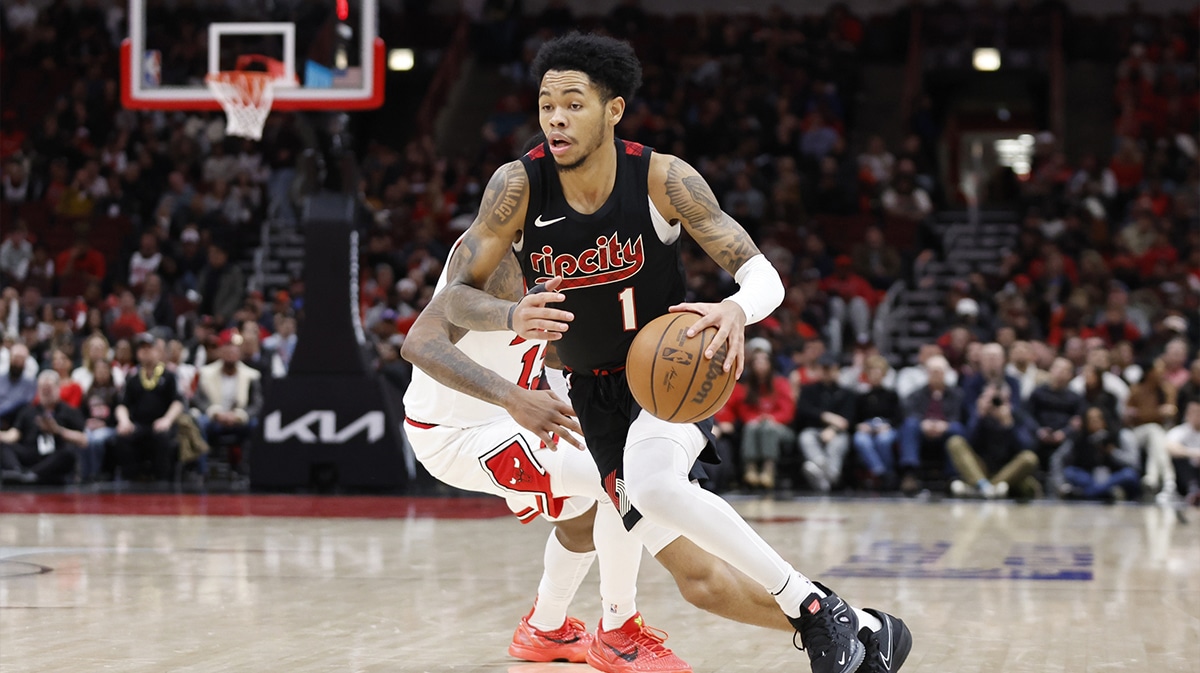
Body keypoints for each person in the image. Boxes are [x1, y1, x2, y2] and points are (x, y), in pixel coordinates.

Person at [432, 33, 907, 673]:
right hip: (583, 398)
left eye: (573, 103)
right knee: (695, 579)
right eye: (547, 105)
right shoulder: (516, 187)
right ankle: (859, 626)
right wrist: (511, 312)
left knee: (653, 486)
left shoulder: (662, 177)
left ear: (614, 110)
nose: (556, 118)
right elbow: (452, 300)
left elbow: (763, 273)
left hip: (661, 379)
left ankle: (811, 611)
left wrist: (737, 309)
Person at [403, 239, 806, 670]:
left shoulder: (577, 247)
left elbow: (554, 347)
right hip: (457, 431)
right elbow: (419, 342)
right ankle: (618, 629)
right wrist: (513, 396)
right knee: (618, 478)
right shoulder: (496, 252)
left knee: (585, 517)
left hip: (511, 411)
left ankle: (544, 627)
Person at [715, 339, 794, 490]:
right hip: (756, 425)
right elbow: (744, 410)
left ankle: (768, 469)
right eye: (757, 361)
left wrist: (772, 418)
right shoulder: (748, 386)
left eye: (763, 361)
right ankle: (750, 469)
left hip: (780, 428)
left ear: (770, 364)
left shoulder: (781, 383)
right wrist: (755, 419)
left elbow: (788, 411)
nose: (760, 365)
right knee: (751, 426)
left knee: (768, 428)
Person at [113, 333, 183, 481]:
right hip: (139, 424)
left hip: (162, 423)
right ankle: (131, 479)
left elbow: (177, 402)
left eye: (149, 348)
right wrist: (124, 422)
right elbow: (122, 405)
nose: (145, 351)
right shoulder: (132, 377)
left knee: (162, 438)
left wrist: (167, 420)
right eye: (141, 348)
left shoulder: (169, 375)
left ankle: (162, 480)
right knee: (123, 438)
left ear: (157, 351)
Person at [0, 371, 87, 484]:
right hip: (31, 453)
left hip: (54, 456)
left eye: (49, 388)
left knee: (69, 453)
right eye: (42, 388)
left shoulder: (69, 411)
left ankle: (30, 475)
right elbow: (13, 435)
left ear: (58, 388)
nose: (46, 391)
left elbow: (83, 440)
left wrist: (58, 430)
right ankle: (18, 473)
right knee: (5, 447)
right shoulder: (28, 411)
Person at [896, 355, 964, 495]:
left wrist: (945, 425)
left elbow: (959, 416)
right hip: (922, 432)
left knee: (957, 428)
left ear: (945, 373)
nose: (936, 375)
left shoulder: (957, 394)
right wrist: (923, 424)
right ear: (927, 373)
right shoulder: (916, 394)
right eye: (933, 371)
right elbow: (909, 413)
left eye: (939, 371)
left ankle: (952, 478)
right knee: (909, 425)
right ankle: (910, 474)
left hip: (946, 431)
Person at [794, 353, 855, 494]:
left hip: (837, 432)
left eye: (830, 368)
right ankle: (824, 468)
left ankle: (823, 477)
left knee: (837, 444)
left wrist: (833, 429)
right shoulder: (808, 390)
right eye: (824, 368)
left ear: (837, 370)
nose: (827, 372)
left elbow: (847, 419)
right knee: (806, 437)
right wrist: (826, 416)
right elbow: (803, 411)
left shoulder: (846, 393)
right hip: (813, 429)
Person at [851, 355, 902, 491]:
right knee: (861, 440)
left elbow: (898, 417)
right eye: (872, 371)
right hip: (866, 427)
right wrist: (860, 425)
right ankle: (882, 473)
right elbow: (854, 418)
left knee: (884, 440)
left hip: (886, 426)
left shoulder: (891, 395)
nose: (875, 375)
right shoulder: (861, 396)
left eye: (878, 371)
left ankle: (887, 472)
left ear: (883, 374)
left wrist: (888, 425)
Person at [1165, 401, 1200, 506]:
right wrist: (1194, 453)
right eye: (1194, 412)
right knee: (1179, 459)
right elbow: (1170, 447)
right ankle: (1192, 490)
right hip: (1185, 476)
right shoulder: (1180, 431)